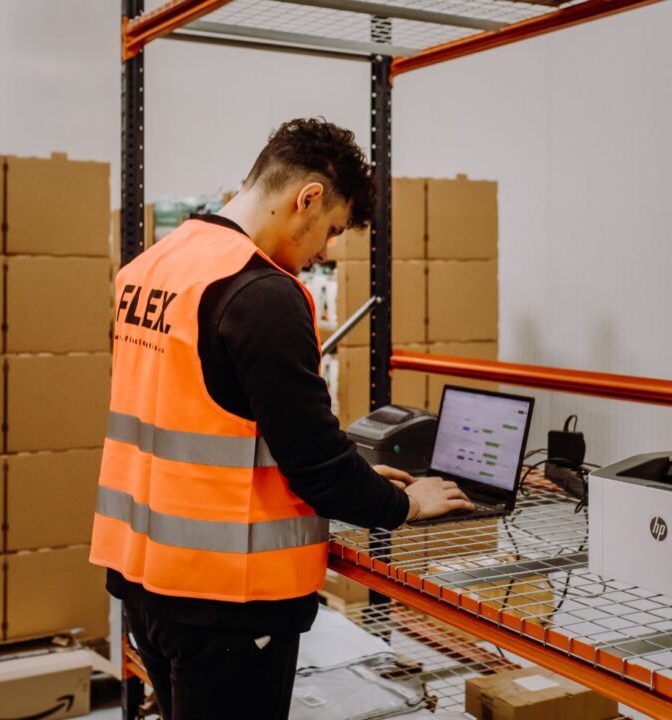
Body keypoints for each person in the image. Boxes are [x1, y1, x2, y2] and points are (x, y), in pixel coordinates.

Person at [90, 118, 473, 720]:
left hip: (147, 583)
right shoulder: (260, 293)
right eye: (331, 231)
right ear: (308, 198)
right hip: (227, 602)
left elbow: (208, 412)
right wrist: (407, 504)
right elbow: (315, 466)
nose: (325, 252)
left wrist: (361, 474)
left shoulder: (152, 268)